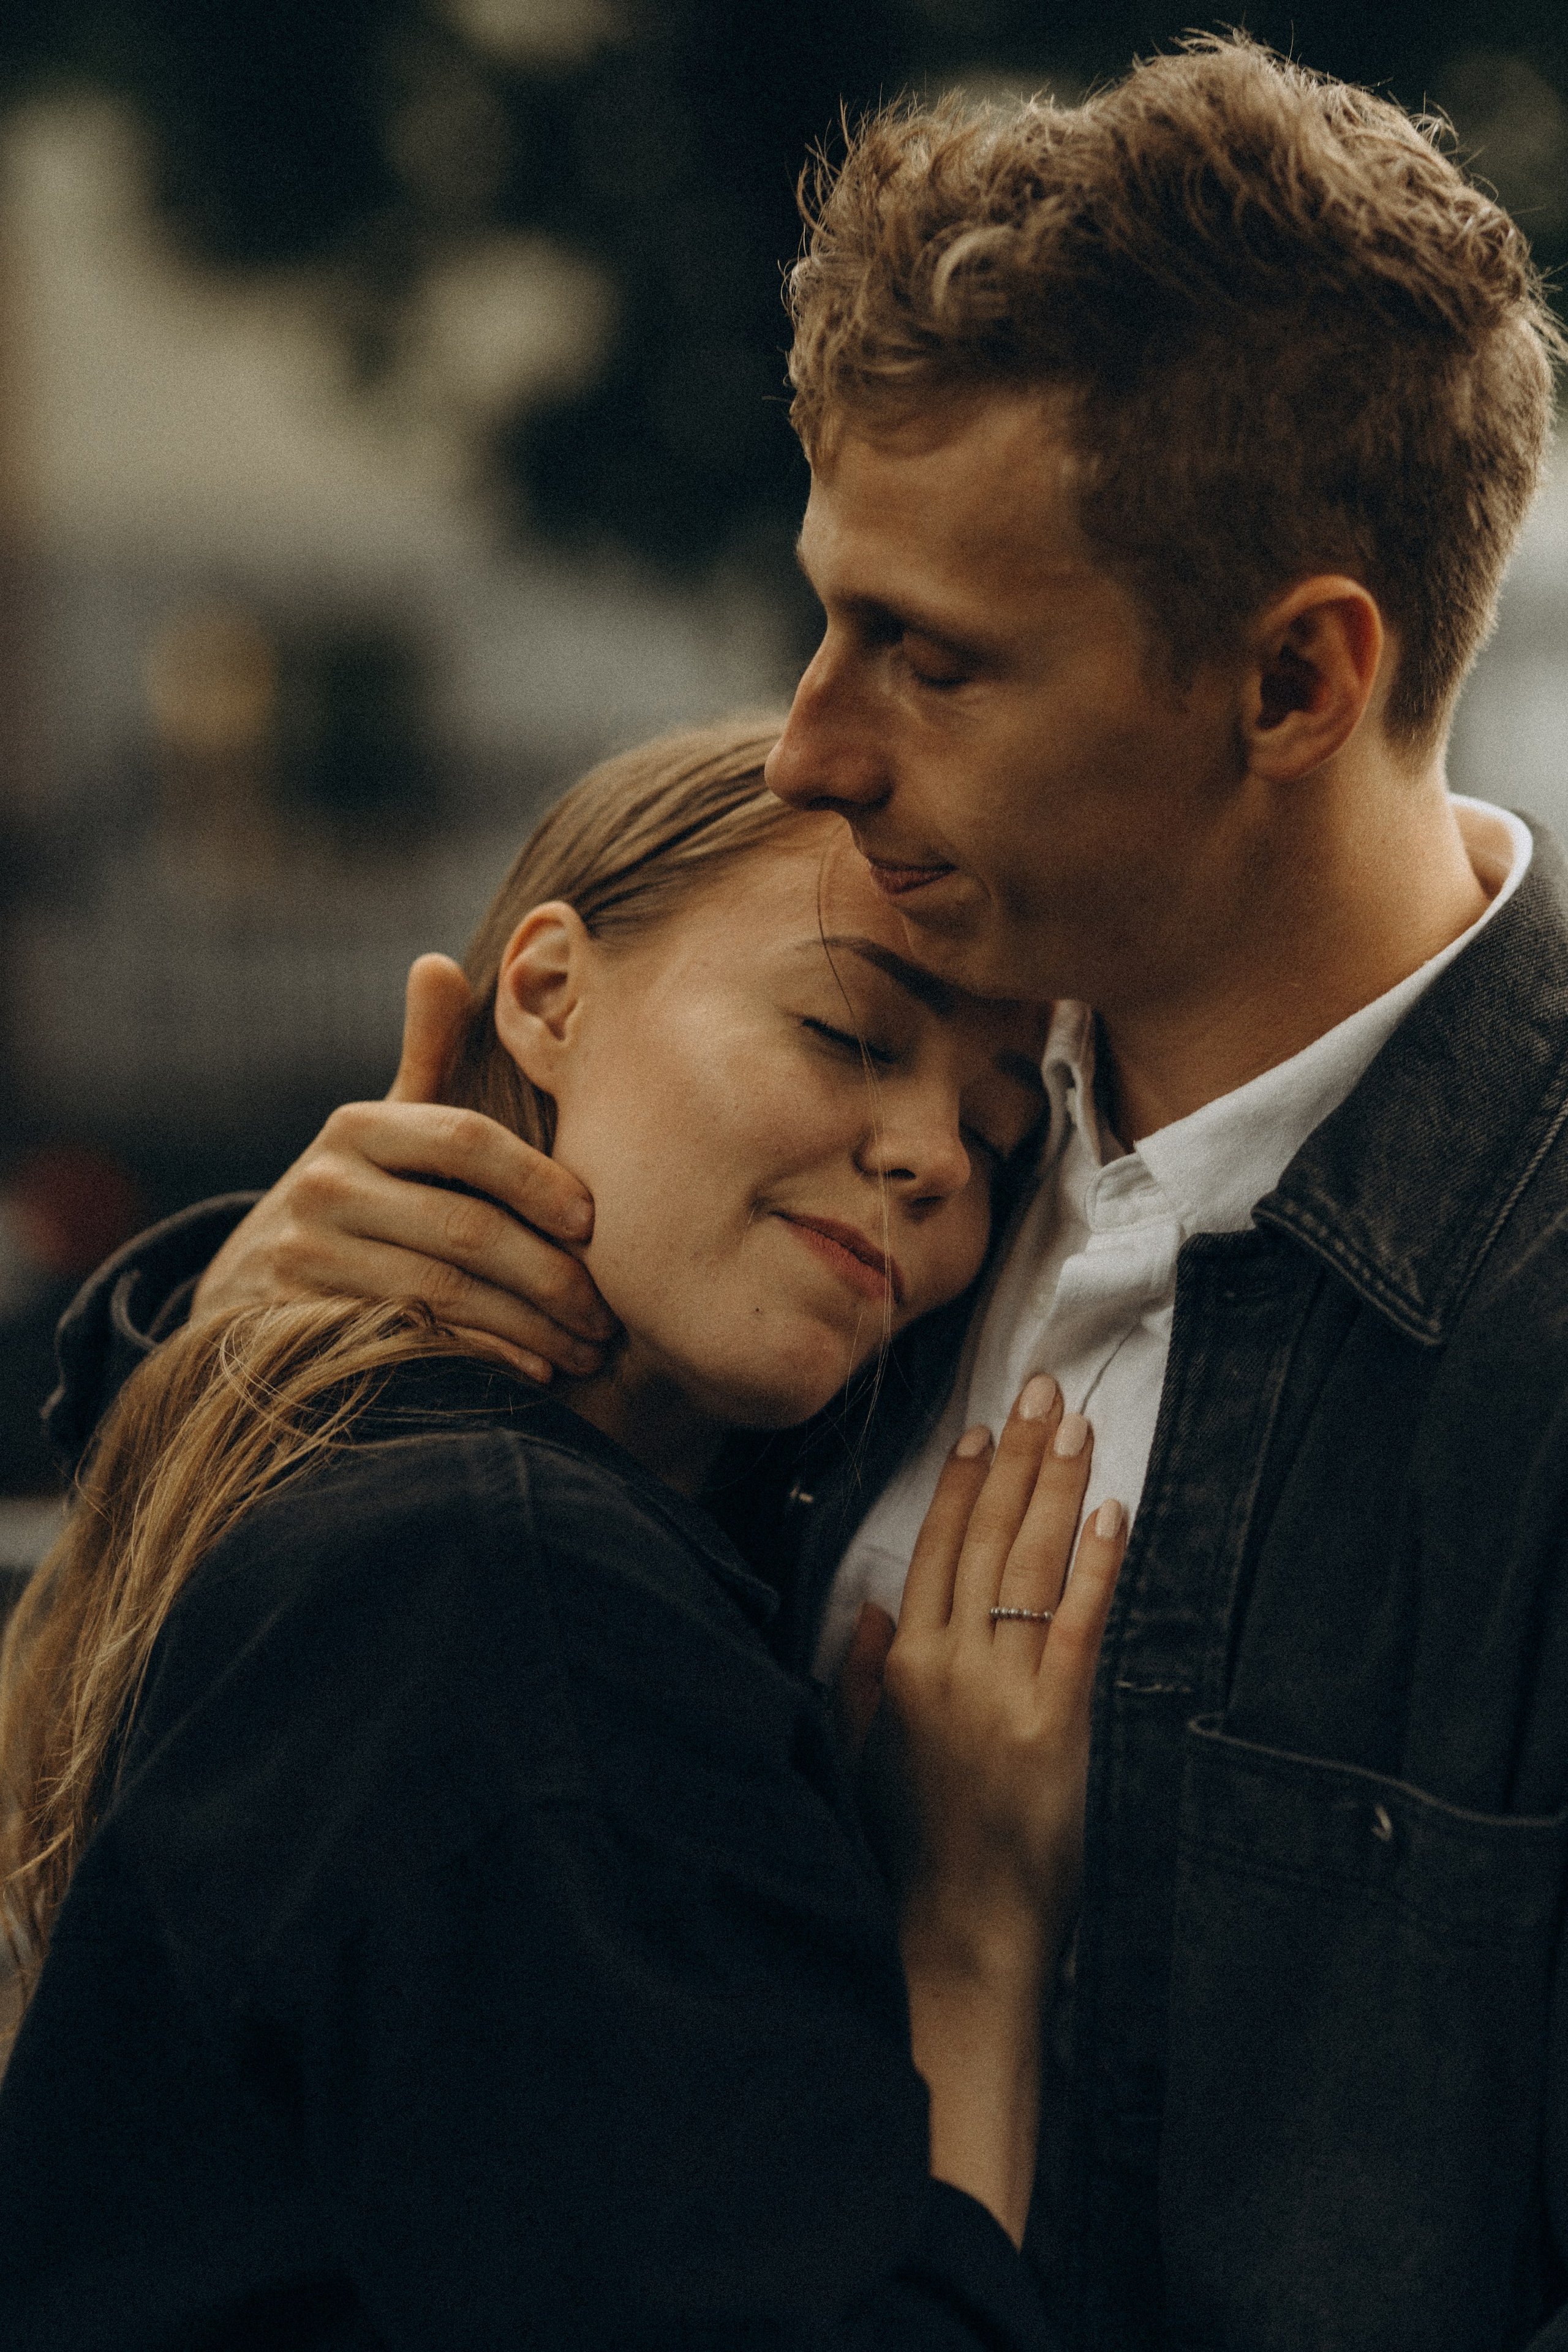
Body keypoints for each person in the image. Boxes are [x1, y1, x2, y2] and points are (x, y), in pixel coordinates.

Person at [40, 32, 1568, 2350]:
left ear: (1292, 682)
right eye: (827, 609)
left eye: (931, 660)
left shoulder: (1526, 1339)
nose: (814, 742)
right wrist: (270, 1327)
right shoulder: (875, 1142)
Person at [0, 721, 1129, 2347]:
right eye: (847, 1031)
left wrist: (191, 1331)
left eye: (1006, 1137)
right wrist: (972, 1928)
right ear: (545, 992)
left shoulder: (350, 1471)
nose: (933, 1155)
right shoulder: (513, 1587)